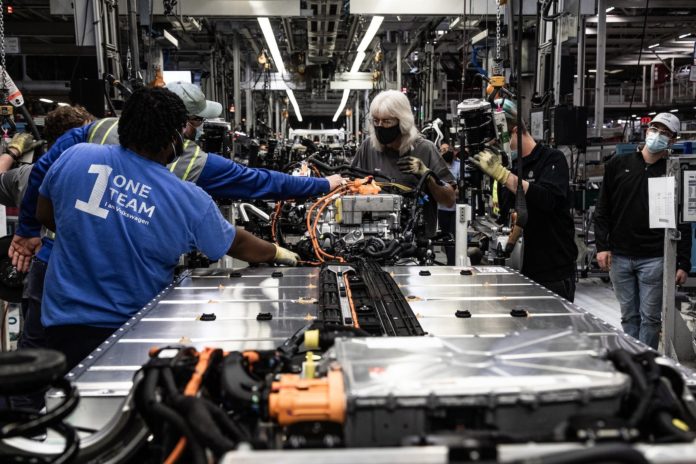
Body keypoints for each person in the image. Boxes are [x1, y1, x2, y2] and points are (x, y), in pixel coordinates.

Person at [35, 87, 298, 371]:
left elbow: (46, 214)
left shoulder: (75, 157)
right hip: (131, 327)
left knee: (66, 402)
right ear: (174, 138)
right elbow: (236, 244)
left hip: (61, 322)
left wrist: (95, 232)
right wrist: (279, 252)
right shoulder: (187, 199)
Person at [594, 113, 691, 349]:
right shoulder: (619, 165)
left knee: (650, 319)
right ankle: (633, 357)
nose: (657, 135)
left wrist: (683, 262)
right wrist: (602, 246)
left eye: (664, 132)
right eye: (655, 128)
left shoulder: (672, 171)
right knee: (629, 317)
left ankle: (644, 363)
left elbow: (683, 220)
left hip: (656, 258)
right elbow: (603, 209)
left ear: (672, 140)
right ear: (647, 131)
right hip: (620, 256)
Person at [472, 99, 578, 301]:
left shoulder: (552, 159)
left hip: (552, 272)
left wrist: (506, 177)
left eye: (497, 142)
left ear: (513, 132)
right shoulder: (509, 166)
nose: (496, 148)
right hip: (518, 268)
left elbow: (548, 199)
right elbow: (505, 214)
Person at [351, 90, 456, 238]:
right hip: (373, 239)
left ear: (402, 122)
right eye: (376, 121)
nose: (380, 126)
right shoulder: (368, 147)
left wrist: (427, 175)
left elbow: (449, 200)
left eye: (387, 121)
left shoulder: (425, 149)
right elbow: (348, 188)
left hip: (414, 243)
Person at [437, 143, 460, 265]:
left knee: (456, 236)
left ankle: (453, 262)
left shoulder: (459, 166)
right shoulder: (438, 169)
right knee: (446, 238)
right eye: (443, 150)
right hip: (442, 209)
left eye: (447, 149)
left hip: (456, 209)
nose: (446, 152)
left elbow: (460, 190)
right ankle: (450, 261)